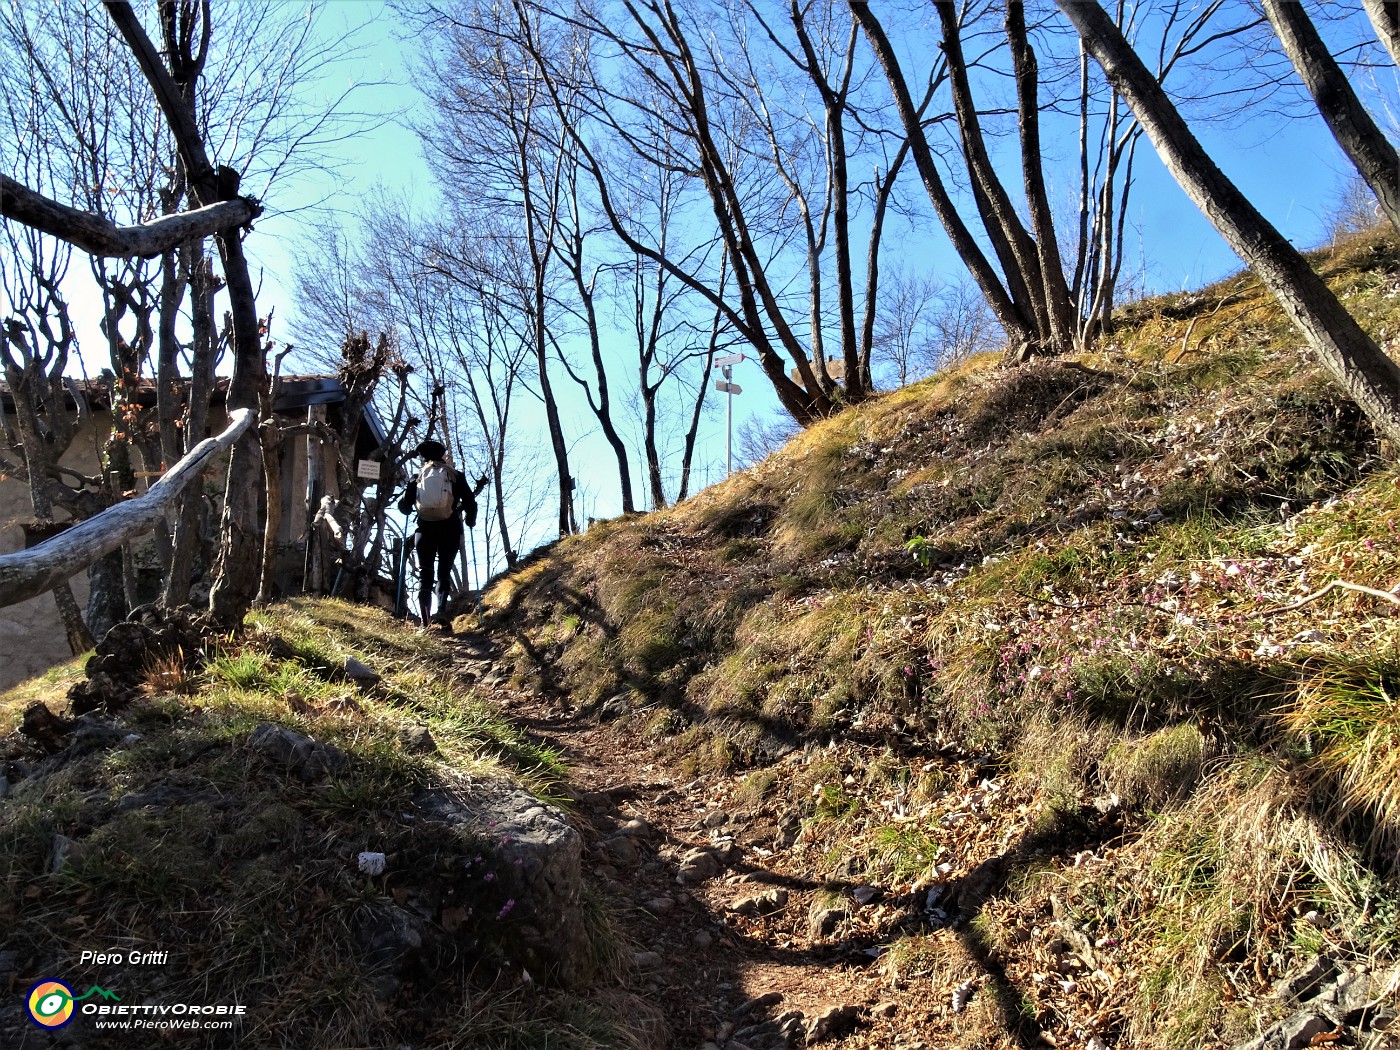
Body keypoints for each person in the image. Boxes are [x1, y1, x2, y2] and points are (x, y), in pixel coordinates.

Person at [397, 439, 488, 630]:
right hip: (450, 529)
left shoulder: (417, 478)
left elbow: (405, 508)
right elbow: (471, 503)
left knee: (425, 574)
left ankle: (424, 621)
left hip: (424, 530)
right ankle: (441, 614)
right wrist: (470, 521)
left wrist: (409, 504)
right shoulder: (455, 476)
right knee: (444, 572)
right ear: (442, 455)